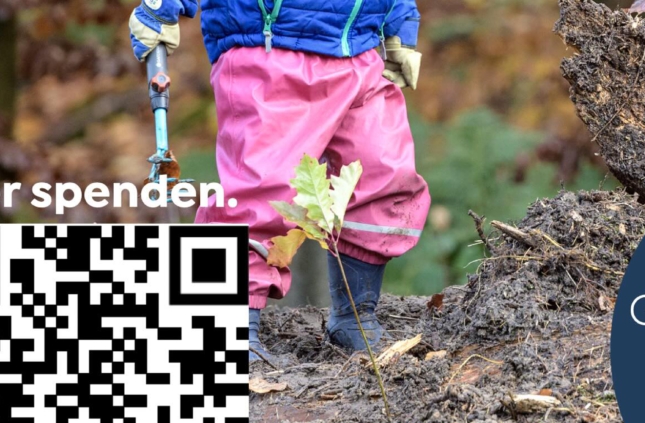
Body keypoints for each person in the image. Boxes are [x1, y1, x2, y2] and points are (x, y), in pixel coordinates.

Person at [127, 0, 429, 360]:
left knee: (382, 175)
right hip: (268, 47)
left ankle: (355, 316)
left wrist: (399, 17)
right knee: (261, 195)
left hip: (360, 50)